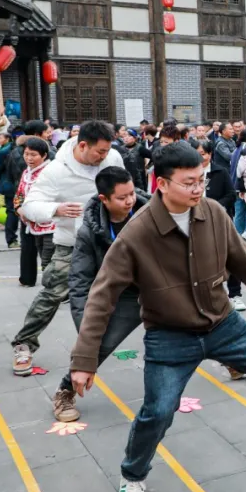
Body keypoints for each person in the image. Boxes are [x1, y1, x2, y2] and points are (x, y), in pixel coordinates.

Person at [68, 142, 246, 492]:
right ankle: (132, 475)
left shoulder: (212, 212)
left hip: (223, 323)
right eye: (188, 182)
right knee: (158, 411)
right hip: (170, 334)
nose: (198, 189)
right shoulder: (138, 233)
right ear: (162, 183)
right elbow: (101, 297)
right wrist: (85, 360)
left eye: (201, 180)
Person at [11, 121, 123, 375]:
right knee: (52, 292)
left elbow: (125, 190)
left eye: (107, 151)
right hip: (71, 244)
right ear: (83, 145)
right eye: (100, 152)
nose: (105, 156)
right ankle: (24, 344)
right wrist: (55, 210)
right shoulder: (55, 171)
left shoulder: (113, 157)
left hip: (111, 241)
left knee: (154, 285)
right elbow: (30, 205)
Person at [51, 167, 148, 421]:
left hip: (159, 286)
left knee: (205, 321)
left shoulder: (152, 213)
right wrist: (87, 333)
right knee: (99, 344)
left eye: (131, 194)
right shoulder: (90, 232)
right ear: (104, 199)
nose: (130, 201)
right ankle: (65, 391)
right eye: (122, 197)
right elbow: (80, 281)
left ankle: (233, 361)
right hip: (125, 294)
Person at [15, 138, 56, 287]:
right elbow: (19, 194)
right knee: (42, 255)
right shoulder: (26, 172)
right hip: (31, 223)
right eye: (26, 154)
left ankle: (54, 289)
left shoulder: (52, 171)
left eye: (33, 155)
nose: (29, 158)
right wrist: (19, 209)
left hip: (51, 223)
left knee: (48, 259)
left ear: (44, 155)